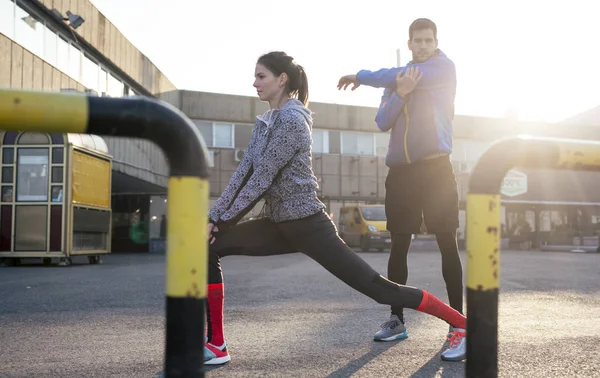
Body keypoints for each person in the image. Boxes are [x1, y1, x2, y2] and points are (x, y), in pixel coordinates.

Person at [204, 51, 467, 366]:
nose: (255, 83)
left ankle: (464, 325)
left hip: (308, 225)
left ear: (282, 79)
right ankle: (217, 344)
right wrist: (214, 220)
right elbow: (243, 172)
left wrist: (222, 218)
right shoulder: (266, 122)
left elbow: (262, 178)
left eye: (261, 76)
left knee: (382, 291)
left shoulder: (292, 119)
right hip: (277, 224)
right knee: (208, 247)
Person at [337, 18, 464, 344]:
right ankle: (396, 319)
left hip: (436, 170)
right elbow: (383, 121)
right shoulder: (397, 82)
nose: (422, 45)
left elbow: (395, 76)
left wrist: (361, 77)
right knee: (399, 245)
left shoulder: (443, 69)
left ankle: (459, 326)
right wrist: (401, 95)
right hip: (403, 174)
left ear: (435, 42)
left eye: (428, 40)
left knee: (447, 244)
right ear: (409, 44)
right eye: (417, 41)